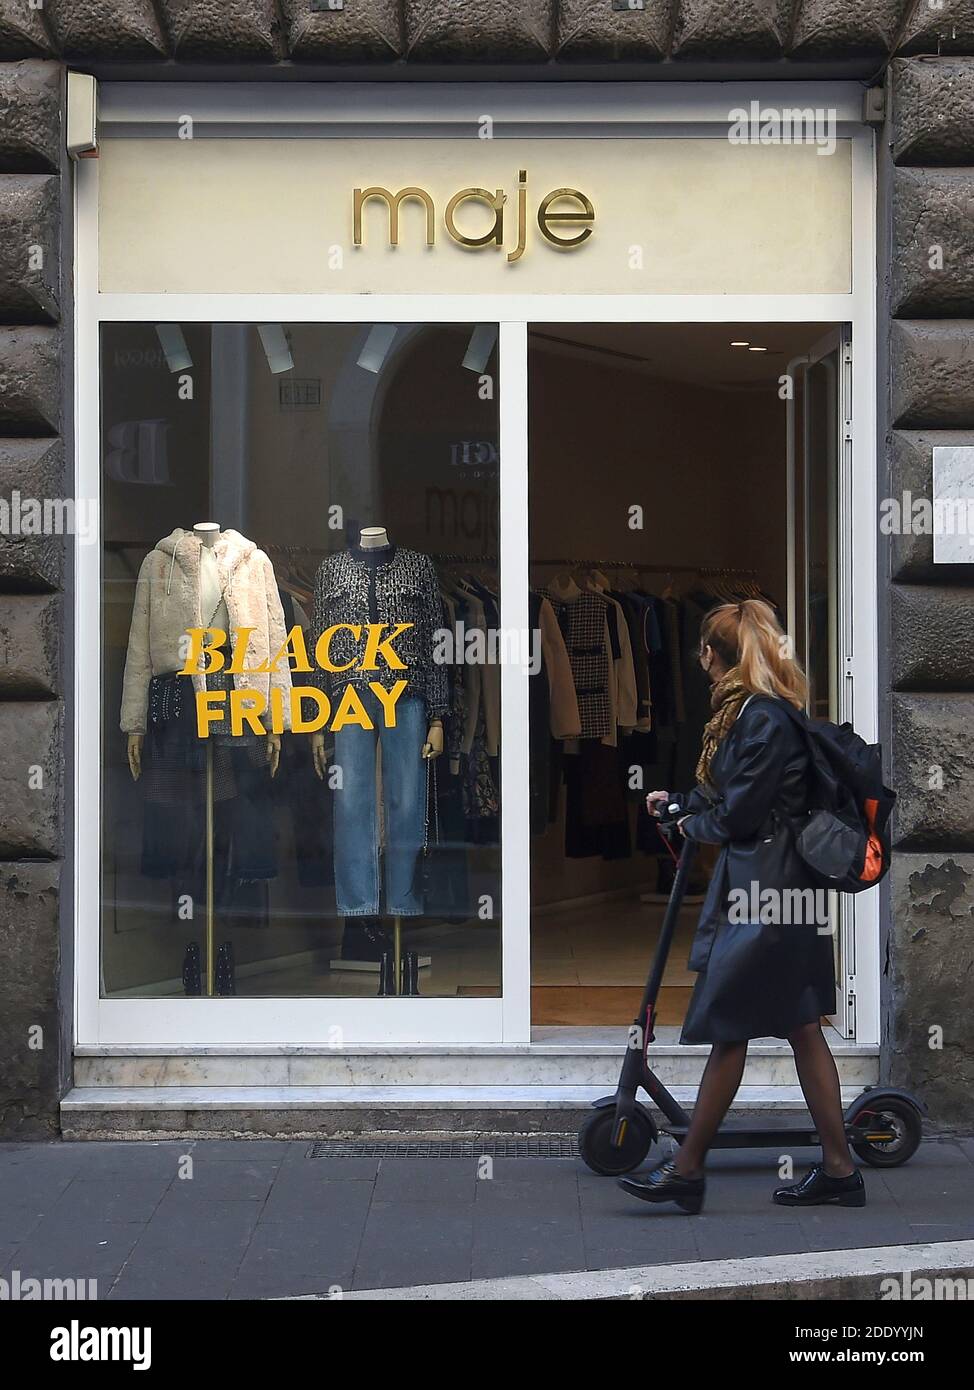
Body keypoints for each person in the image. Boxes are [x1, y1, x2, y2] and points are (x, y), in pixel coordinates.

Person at [619, 598, 864, 1214]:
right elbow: (730, 796)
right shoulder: (752, 713)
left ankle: (687, 1170)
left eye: (702, 648)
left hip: (769, 890)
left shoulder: (761, 719)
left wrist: (688, 817)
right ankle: (838, 1170)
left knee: (733, 1024)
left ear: (717, 655)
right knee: (800, 1024)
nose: (697, 659)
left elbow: (740, 814)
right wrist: (681, 802)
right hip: (776, 883)